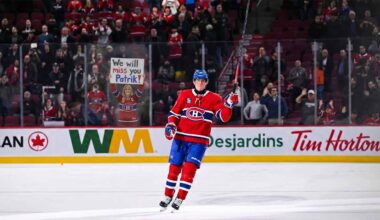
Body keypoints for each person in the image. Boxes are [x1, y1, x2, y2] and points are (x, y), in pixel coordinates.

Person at [159, 69, 238, 211]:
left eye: (203, 80)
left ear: (206, 82)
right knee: (173, 169)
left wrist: (229, 104)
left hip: (199, 142)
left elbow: (223, 117)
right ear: (194, 81)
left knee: (189, 171)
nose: (200, 83)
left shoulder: (215, 98)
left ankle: (180, 198)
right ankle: (168, 195)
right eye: (197, 80)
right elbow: (174, 114)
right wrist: (171, 124)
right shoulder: (184, 94)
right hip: (180, 138)